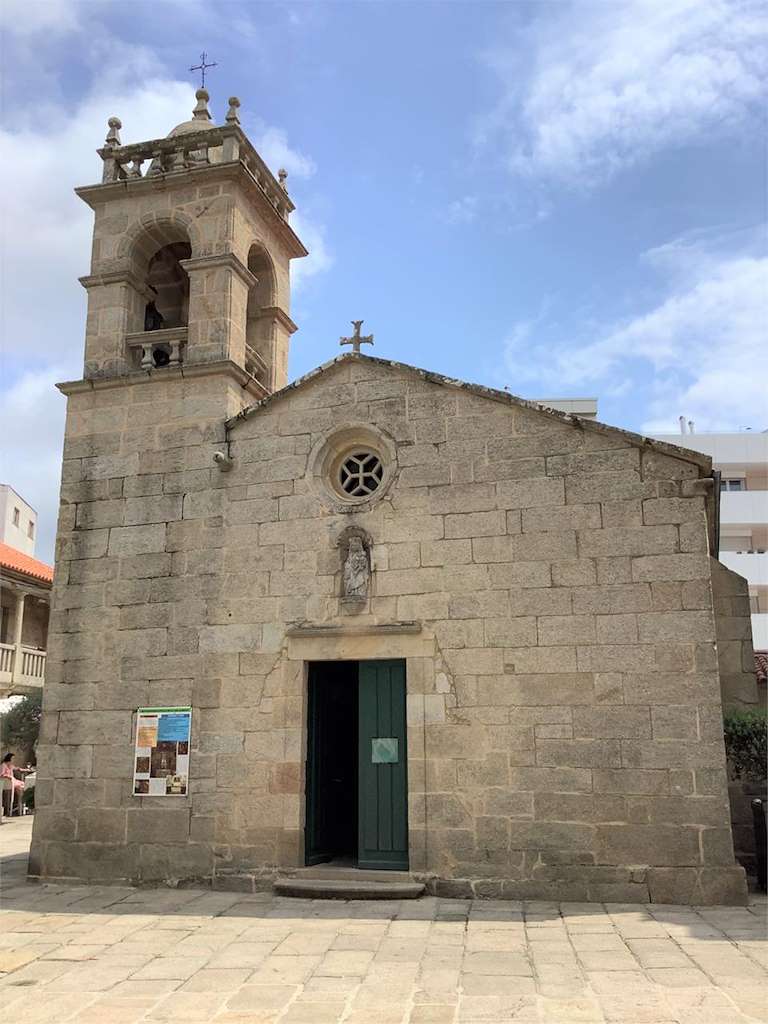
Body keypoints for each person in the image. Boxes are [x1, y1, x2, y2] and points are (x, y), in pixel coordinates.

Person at [1, 752, 25, 818]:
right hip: (8, 782)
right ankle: (19, 807)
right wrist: (9, 777)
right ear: (9, 758)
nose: (13, 760)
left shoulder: (11, 765)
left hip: (12, 781)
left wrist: (26, 769)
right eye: (13, 758)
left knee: (22, 786)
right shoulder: (3, 765)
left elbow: (17, 768)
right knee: (20, 787)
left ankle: (20, 807)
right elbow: (2, 774)